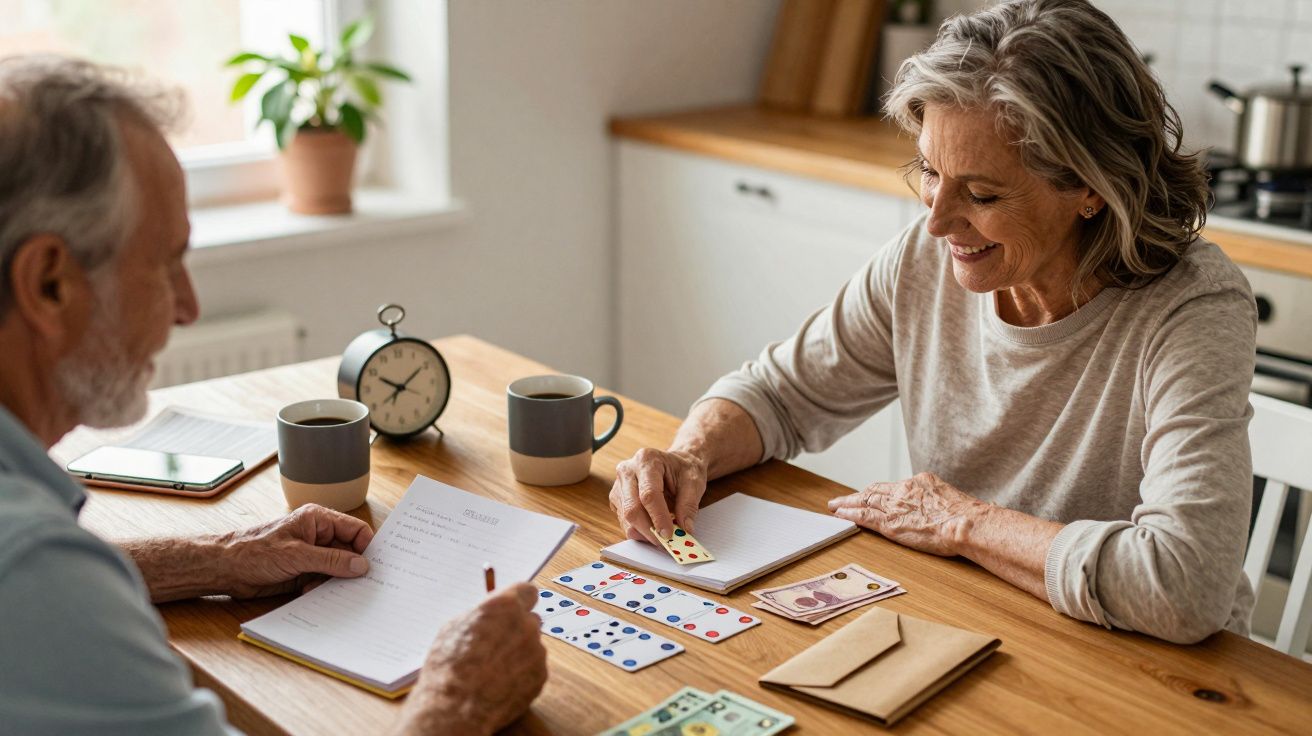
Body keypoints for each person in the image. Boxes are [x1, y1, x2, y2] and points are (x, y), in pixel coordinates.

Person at [609, 0, 1257, 645]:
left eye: (981, 194)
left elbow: (1184, 586)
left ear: (1091, 187)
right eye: (929, 171)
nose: (938, 221)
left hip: (1144, 663)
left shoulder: (1191, 306)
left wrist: (962, 523)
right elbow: (779, 394)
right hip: (978, 620)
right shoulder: (925, 258)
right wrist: (689, 455)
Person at [0, 56, 545, 735]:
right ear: (50, 283)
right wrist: (458, 702)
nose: (188, 308)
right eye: (167, 264)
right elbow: (38, 583)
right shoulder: (28, 571)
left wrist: (221, 558)